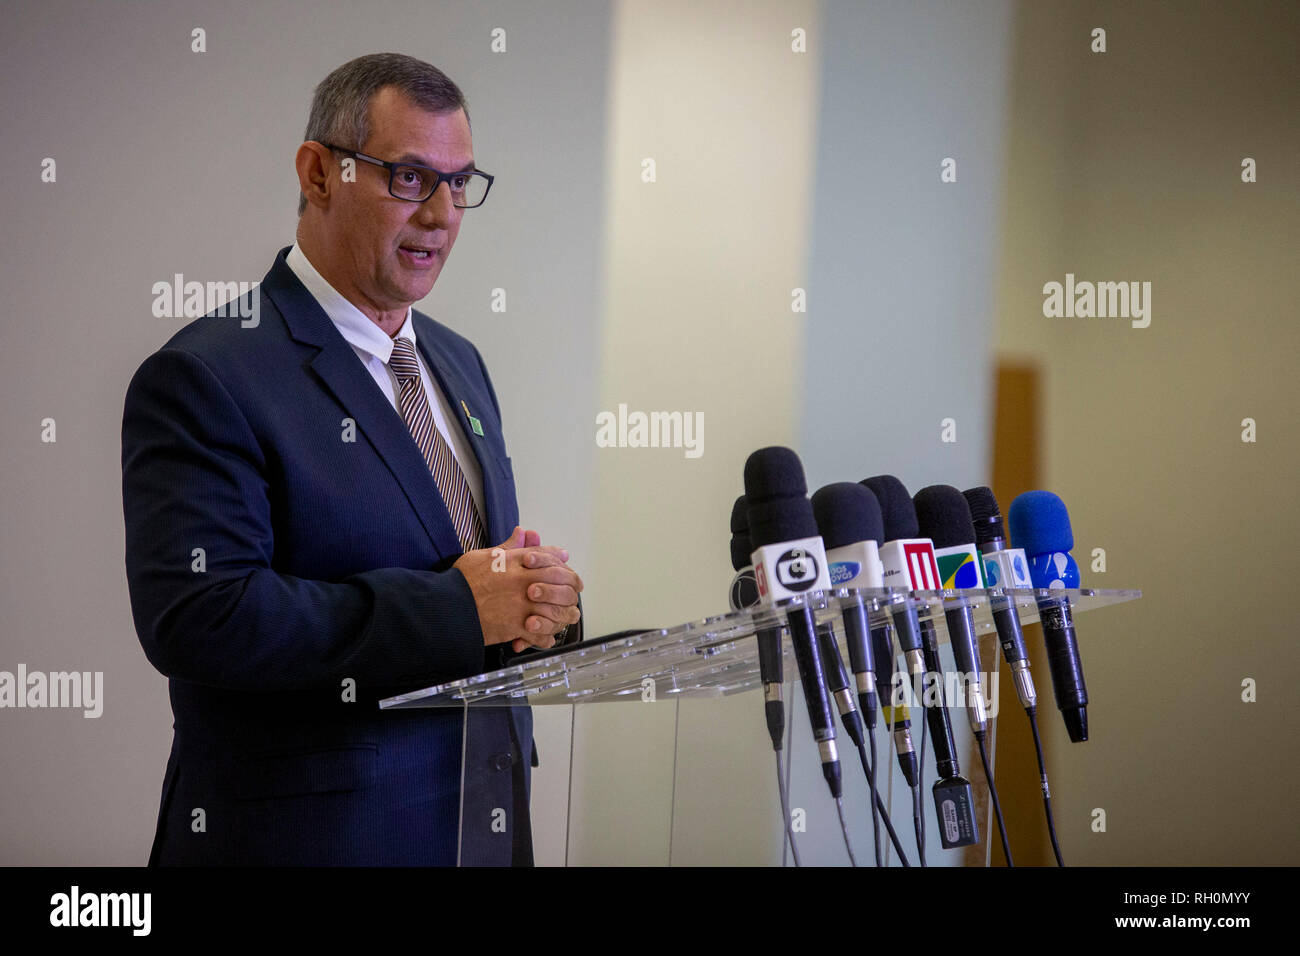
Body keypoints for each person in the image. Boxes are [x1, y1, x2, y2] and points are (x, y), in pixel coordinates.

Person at [121, 52, 582, 866]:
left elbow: (468, 579)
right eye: (409, 177)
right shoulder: (208, 374)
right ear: (319, 173)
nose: (441, 214)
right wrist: (461, 608)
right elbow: (202, 618)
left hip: (481, 825)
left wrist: (532, 605)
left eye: (459, 182)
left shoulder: (459, 360)